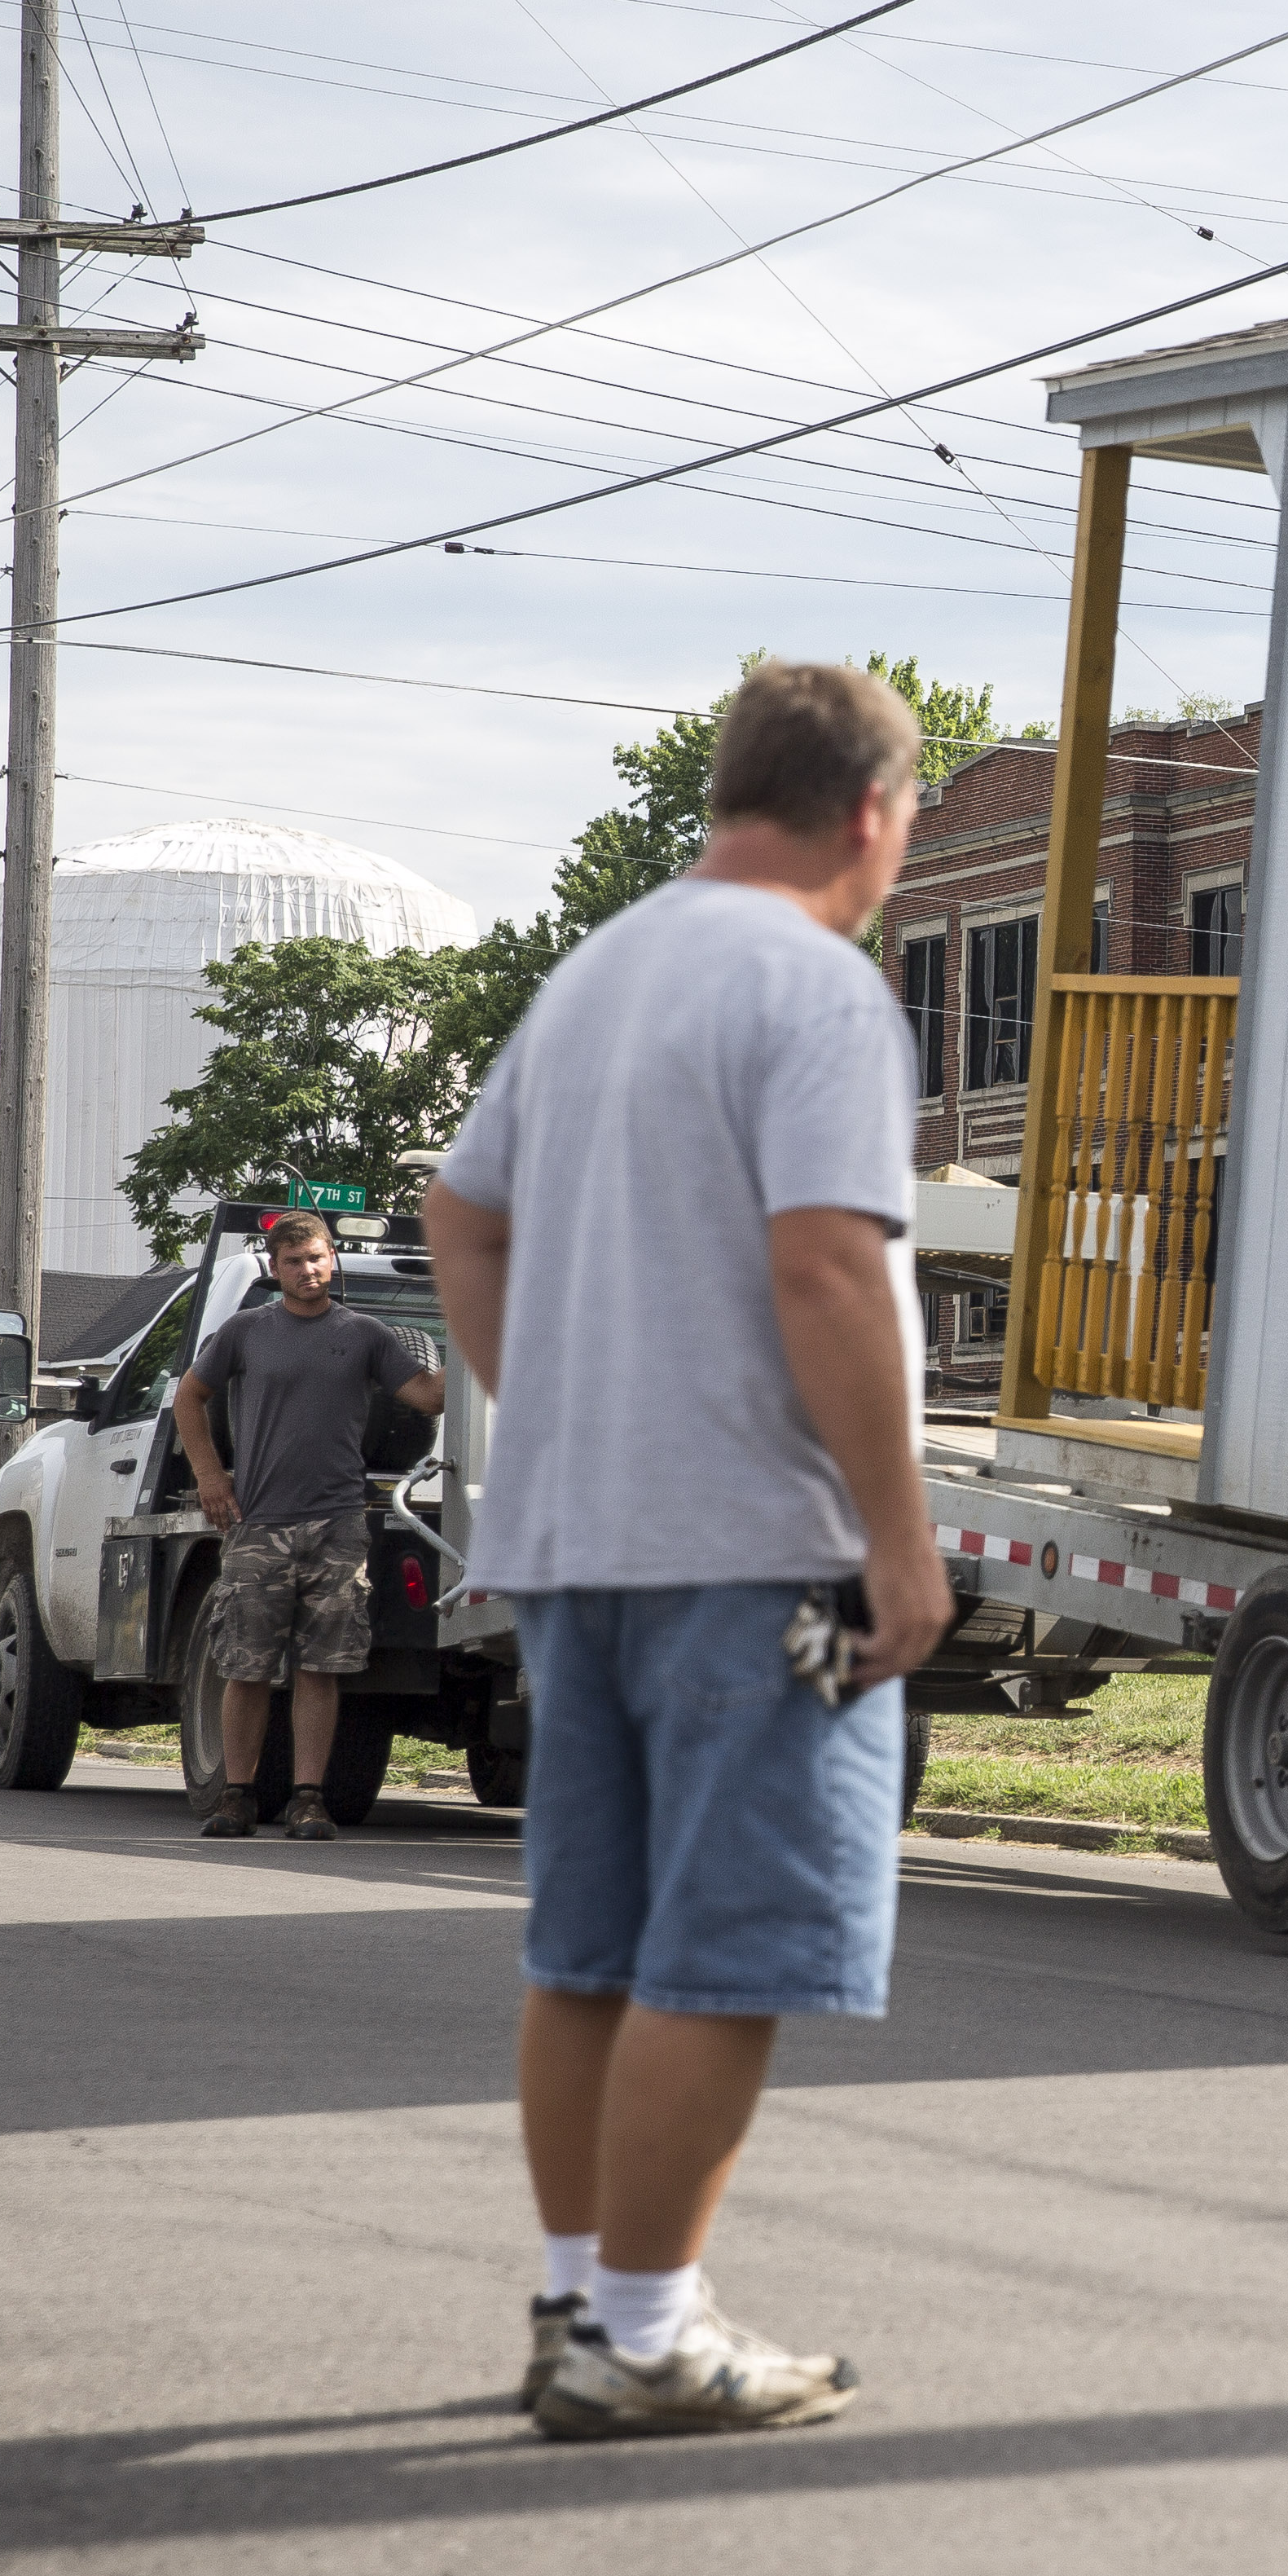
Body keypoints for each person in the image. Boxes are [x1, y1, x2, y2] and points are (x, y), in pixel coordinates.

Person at [424, 661, 952, 2443]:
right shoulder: (819, 991)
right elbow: (823, 1263)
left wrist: (568, 1396)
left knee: (588, 1948)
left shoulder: (599, 973)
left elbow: (458, 1212)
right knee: (727, 1950)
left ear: (731, 789)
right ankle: (648, 2336)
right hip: (755, 1543)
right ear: (874, 814)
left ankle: (582, 2299)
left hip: (580, 1540)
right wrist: (902, 1542)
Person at [174, 1211, 446, 1841]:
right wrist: (212, 1477)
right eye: (294, 1261)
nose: (308, 1271)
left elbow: (429, 1398)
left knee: (322, 1668)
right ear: (276, 1267)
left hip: (338, 1526)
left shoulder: (366, 1334)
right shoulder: (245, 1332)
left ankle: (308, 1799)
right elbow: (191, 1397)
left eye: (317, 1259)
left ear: (333, 1260)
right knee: (245, 1667)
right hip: (259, 1523)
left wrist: (476, 1328)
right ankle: (237, 1796)